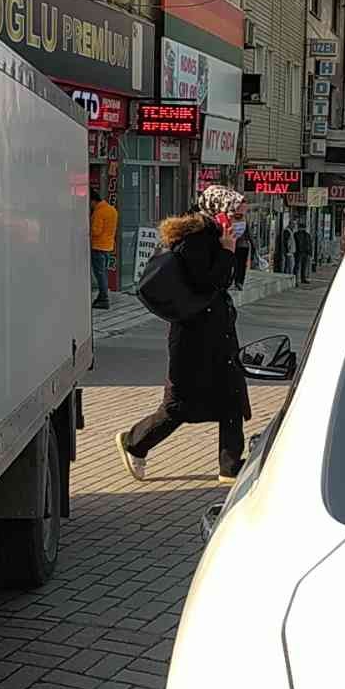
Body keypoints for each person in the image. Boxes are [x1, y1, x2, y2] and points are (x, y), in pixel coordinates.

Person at [115, 186, 252, 484]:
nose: (241, 220)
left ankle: (229, 466)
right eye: (236, 215)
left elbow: (232, 280)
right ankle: (135, 443)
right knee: (179, 405)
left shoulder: (219, 235)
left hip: (218, 330)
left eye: (243, 215)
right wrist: (227, 251)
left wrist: (235, 245)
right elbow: (208, 282)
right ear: (217, 210)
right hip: (193, 334)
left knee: (232, 396)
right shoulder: (195, 239)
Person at [89, 189, 117, 309]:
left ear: (93, 201)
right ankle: (102, 297)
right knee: (103, 273)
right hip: (108, 246)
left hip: (98, 246)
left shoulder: (99, 212)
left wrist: (88, 228)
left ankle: (104, 298)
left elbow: (96, 231)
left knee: (100, 274)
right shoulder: (112, 210)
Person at [232, 212, 255, 291]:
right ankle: (240, 282)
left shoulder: (233, 221)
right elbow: (250, 235)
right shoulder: (244, 222)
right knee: (242, 265)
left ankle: (236, 281)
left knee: (236, 265)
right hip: (244, 246)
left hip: (235, 246)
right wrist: (254, 247)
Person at [293, 220, 313, 285]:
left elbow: (310, 244)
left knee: (304, 266)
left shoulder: (307, 235)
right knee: (297, 266)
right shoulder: (296, 234)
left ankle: (303, 278)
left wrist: (310, 252)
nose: (302, 229)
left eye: (303, 227)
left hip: (305, 253)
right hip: (299, 252)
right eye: (301, 227)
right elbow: (295, 243)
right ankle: (296, 279)